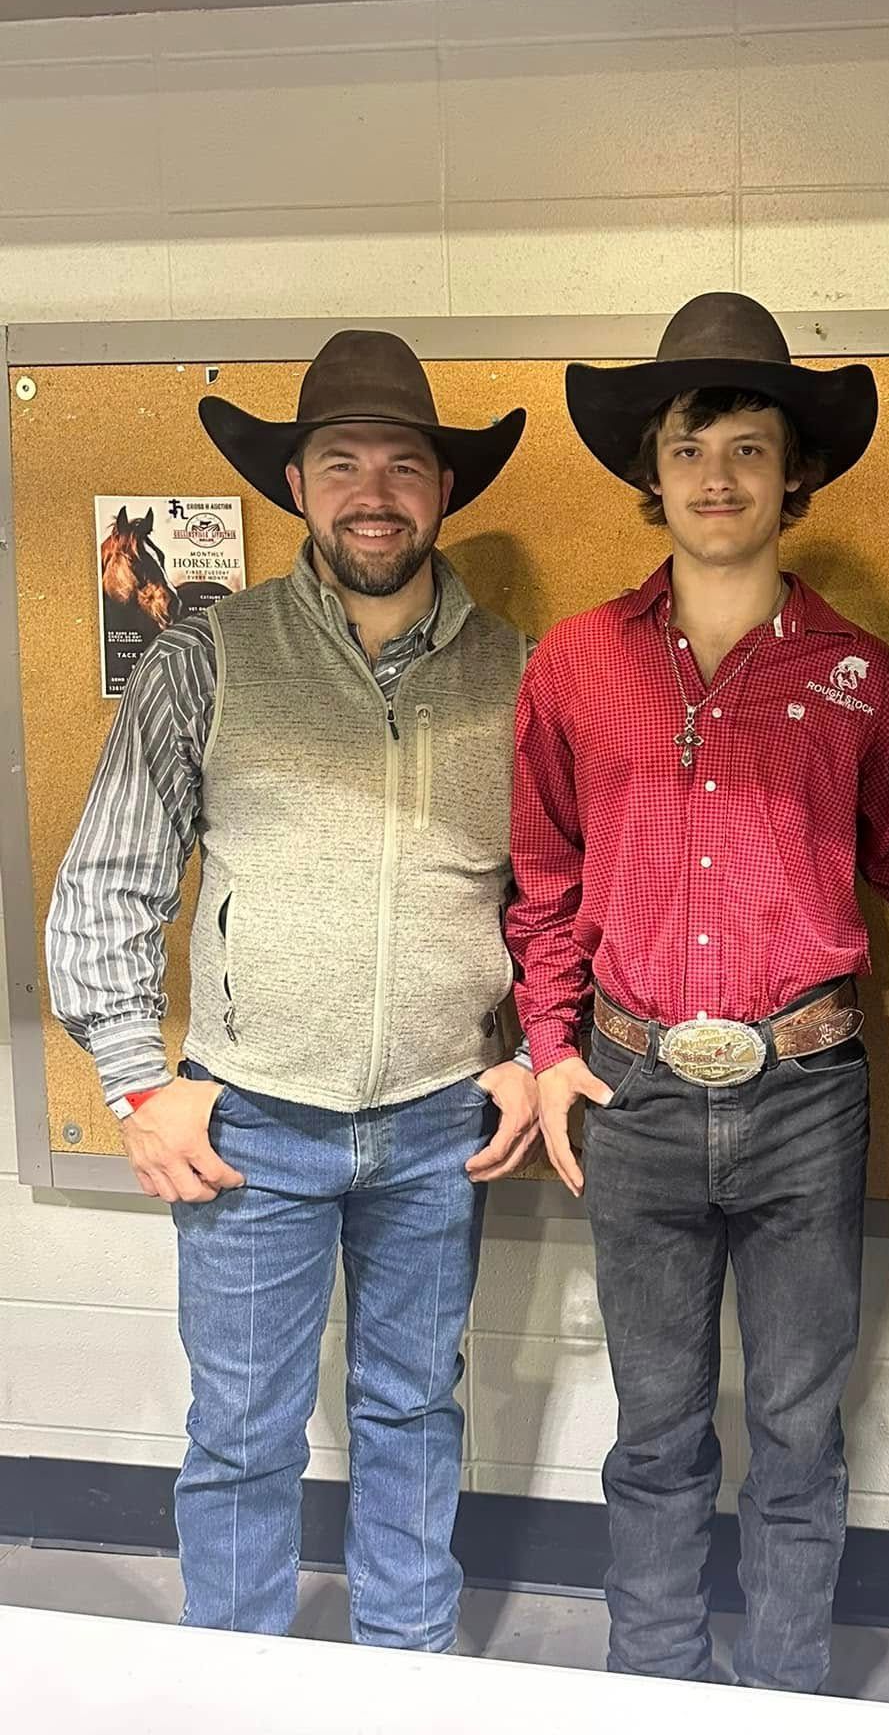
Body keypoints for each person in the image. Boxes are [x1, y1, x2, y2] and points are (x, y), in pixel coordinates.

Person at [47, 330, 539, 1651]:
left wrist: (525, 1048)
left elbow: (556, 894)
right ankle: (238, 1707)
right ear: (299, 485)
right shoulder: (206, 658)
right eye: (341, 462)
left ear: (444, 490)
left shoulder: (521, 675)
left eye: (403, 465)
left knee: (414, 1410)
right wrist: (141, 1087)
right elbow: (107, 884)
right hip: (248, 1125)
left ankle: (407, 1685)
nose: (372, 490)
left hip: (443, 1126)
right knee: (245, 1431)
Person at [507, 292, 889, 1691]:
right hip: (628, 1089)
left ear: (794, 474)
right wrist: (552, 1045)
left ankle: (788, 1703)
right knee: (656, 1422)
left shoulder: (861, 673)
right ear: (652, 475)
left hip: (806, 1091)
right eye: (692, 450)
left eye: (750, 447)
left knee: (801, 1428)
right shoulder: (576, 663)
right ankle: (655, 1694)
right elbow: (545, 873)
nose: (721, 478)